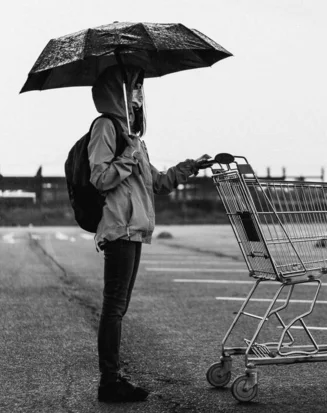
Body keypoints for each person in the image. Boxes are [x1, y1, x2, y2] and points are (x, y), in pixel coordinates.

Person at [88, 64, 210, 403]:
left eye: (140, 89)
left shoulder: (133, 137)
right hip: (119, 229)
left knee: (119, 306)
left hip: (136, 230)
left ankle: (111, 379)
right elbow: (99, 177)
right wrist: (128, 155)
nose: (139, 96)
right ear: (117, 93)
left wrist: (189, 167)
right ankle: (109, 382)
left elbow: (157, 183)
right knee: (114, 306)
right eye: (134, 88)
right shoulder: (105, 127)